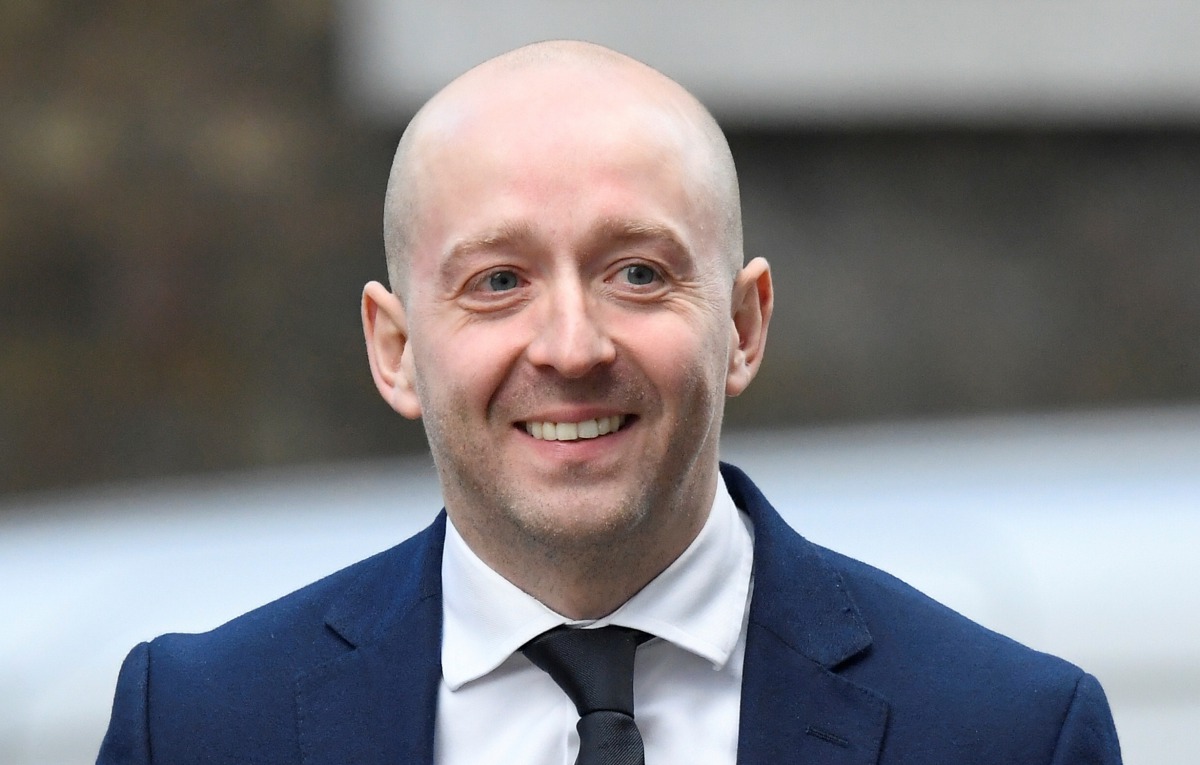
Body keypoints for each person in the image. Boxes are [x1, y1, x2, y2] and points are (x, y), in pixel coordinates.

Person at [97, 40, 1121, 764]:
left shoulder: (1008, 735)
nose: (573, 348)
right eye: (498, 281)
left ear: (743, 326)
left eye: (636, 274)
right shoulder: (198, 729)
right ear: (397, 349)